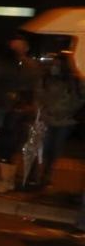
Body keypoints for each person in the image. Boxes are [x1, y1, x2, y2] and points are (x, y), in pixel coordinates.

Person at [0, 35, 41, 180]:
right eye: (14, 45)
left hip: (22, 108)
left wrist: (32, 104)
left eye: (20, 45)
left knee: (25, 138)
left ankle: (28, 171)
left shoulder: (32, 65)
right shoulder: (3, 64)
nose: (17, 48)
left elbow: (36, 86)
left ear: (26, 47)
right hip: (3, 106)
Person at [31, 52, 84, 189]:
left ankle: (46, 175)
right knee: (42, 148)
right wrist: (42, 111)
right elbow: (38, 96)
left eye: (57, 63)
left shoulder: (76, 81)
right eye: (54, 63)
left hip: (65, 121)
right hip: (48, 119)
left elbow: (80, 100)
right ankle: (35, 174)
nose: (54, 66)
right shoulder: (45, 78)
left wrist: (67, 112)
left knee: (55, 150)